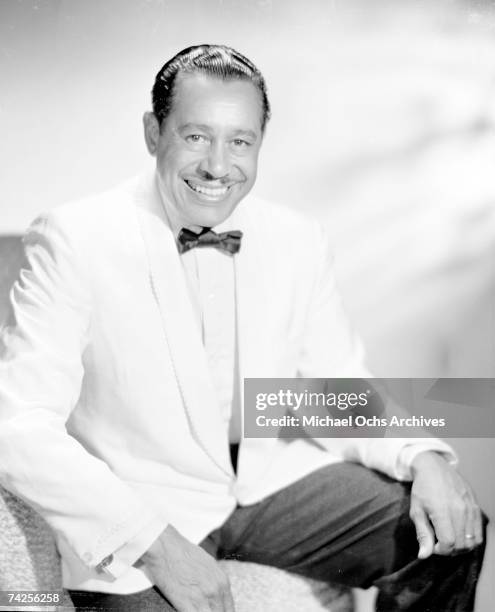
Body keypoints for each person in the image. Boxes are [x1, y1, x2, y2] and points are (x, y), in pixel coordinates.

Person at [0, 44, 486, 612]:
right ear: (154, 133)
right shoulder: (73, 238)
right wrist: (156, 547)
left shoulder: (298, 237)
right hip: (141, 508)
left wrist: (421, 456)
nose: (218, 166)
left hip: (265, 486)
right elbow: (18, 426)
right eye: (196, 136)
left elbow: (333, 386)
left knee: (453, 533)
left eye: (240, 141)